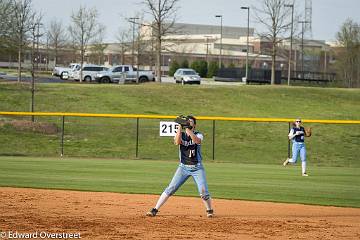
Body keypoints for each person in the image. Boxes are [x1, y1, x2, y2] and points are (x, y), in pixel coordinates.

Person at [146, 115, 214, 218]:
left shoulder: (198, 134)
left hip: (197, 168)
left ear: (194, 125)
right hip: (183, 167)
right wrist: (179, 127)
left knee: (203, 191)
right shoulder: (181, 134)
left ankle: (209, 210)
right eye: (187, 121)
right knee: (171, 188)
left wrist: (188, 129)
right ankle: (155, 209)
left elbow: (197, 141)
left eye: (190, 121)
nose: (188, 122)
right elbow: (177, 142)